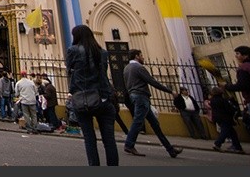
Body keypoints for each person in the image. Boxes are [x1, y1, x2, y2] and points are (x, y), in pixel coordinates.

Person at [65, 24, 118, 166]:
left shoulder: (73, 50)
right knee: (109, 140)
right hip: (103, 98)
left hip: (83, 99)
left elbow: (69, 71)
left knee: (89, 140)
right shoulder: (103, 52)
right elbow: (103, 75)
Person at [122, 48, 183, 158]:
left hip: (135, 96)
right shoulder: (138, 67)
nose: (143, 57)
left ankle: (170, 149)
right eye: (141, 55)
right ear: (136, 56)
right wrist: (170, 91)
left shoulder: (126, 68)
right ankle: (129, 144)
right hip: (141, 96)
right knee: (138, 121)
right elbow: (152, 82)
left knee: (155, 125)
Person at [219, 45, 250, 125]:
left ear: (245, 55)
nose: (236, 56)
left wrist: (226, 86)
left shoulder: (244, 68)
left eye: (238, 54)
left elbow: (243, 85)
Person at [208, 86, 245, 154]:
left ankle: (238, 147)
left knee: (232, 133)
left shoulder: (212, 101)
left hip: (218, 118)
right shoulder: (223, 100)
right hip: (225, 118)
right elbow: (229, 109)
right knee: (225, 131)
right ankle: (217, 143)